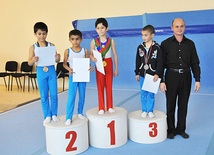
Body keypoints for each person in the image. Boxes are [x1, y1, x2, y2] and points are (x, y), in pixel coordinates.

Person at [160, 18, 201, 139]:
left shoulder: (190, 44)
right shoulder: (165, 44)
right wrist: (161, 81)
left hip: (186, 77)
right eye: (177, 26)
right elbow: (161, 64)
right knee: (170, 104)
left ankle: (181, 129)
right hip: (171, 77)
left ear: (184, 27)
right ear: (172, 28)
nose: (179, 28)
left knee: (183, 104)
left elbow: (195, 63)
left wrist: (197, 79)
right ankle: (171, 130)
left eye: (181, 26)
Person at [28, 22, 60, 124]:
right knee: (44, 95)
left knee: (54, 94)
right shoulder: (32, 47)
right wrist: (33, 60)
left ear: (47, 33)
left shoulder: (51, 45)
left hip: (51, 71)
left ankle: (54, 114)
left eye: (44, 33)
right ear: (35, 34)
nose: (42, 36)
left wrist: (58, 58)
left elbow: (57, 61)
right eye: (39, 33)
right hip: (41, 71)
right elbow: (29, 63)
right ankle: (47, 115)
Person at [63, 29, 94, 125]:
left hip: (83, 76)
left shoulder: (85, 50)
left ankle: (80, 112)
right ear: (69, 40)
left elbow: (87, 62)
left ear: (81, 39)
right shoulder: (67, 51)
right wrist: (69, 69)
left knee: (82, 95)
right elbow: (64, 64)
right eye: (73, 39)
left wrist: (90, 67)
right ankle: (69, 117)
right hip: (73, 75)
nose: (75, 41)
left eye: (77, 39)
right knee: (71, 96)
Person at [89, 18, 118, 115]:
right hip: (99, 64)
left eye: (102, 28)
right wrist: (92, 58)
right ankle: (101, 107)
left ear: (107, 28)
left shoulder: (111, 41)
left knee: (109, 85)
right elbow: (90, 54)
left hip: (109, 63)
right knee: (100, 86)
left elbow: (115, 55)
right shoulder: (93, 41)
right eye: (98, 28)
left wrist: (116, 68)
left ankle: (110, 106)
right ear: (95, 29)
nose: (100, 30)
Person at [135, 25, 163, 118]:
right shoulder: (140, 47)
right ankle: (144, 110)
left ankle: (150, 110)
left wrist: (157, 74)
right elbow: (137, 60)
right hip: (143, 74)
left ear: (152, 35)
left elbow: (160, 62)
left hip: (152, 75)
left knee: (151, 94)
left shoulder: (157, 48)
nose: (144, 37)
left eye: (146, 35)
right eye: (142, 35)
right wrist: (136, 73)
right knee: (143, 93)